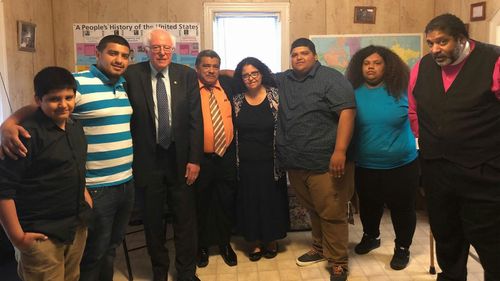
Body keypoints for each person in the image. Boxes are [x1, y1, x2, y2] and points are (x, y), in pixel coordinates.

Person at [0, 35, 135, 281]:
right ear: (97, 54)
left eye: (125, 55)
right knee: (94, 255)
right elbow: (42, 105)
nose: (119, 60)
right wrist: (8, 124)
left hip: (122, 183)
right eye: (113, 53)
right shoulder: (77, 83)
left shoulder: (123, 85)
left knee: (108, 249)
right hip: (98, 187)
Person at [408, 14, 500, 281]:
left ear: (462, 39)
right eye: (430, 43)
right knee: (446, 233)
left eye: (442, 42)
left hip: (484, 171)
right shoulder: (421, 67)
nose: (435, 49)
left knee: (490, 239)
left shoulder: (493, 61)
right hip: (437, 170)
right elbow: (414, 111)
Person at [123, 28, 203, 281]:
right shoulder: (131, 75)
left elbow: (195, 121)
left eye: (166, 47)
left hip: (180, 160)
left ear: (173, 50)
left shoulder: (187, 75)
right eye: (156, 47)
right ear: (146, 50)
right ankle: (159, 270)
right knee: (153, 221)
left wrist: (195, 159)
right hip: (148, 160)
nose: (162, 52)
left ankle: (186, 272)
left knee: (185, 219)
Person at [0, 66, 92, 281]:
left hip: (75, 226)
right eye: (54, 99)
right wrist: (18, 238)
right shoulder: (25, 136)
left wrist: (85, 198)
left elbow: (76, 167)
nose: (63, 104)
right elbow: (4, 189)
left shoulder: (75, 127)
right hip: (42, 235)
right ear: (38, 100)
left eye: (69, 97)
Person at [276, 38, 356, 281]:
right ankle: (320, 248)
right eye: (294, 54)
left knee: (332, 212)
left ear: (315, 56)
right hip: (296, 161)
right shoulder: (284, 79)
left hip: (326, 162)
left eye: (304, 53)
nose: (298, 57)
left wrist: (340, 151)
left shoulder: (331, 79)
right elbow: (254, 72)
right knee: (314, 209)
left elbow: (347, 112)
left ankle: (339, 261)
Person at [345, 45, 419, 270]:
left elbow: (420, 117)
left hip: (402, 164)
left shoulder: (403, 90)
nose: (371, 67)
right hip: (366, 164)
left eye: (377, 63)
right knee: (369, 205)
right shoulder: (352, 92)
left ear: (387, 66)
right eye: (367, 63)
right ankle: (371, 236)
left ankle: (402, 248)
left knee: (402, 208)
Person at [232, 57, 288, 262]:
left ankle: (271, 240)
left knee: (271, 201)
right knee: (250, 202)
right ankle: (254, 242)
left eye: (254, 73)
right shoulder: (237, 100)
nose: (250, 78)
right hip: (246, 163)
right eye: (245, 75)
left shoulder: (276, 96)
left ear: (262, 73)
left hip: (271, 162)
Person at [193, 50, 237, 268]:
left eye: (215, 66)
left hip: (226, 156)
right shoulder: (190, 90)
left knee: (226, 202)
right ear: (197, 68)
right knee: (200, 204)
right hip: (201, 159)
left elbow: (248, 74)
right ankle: (201, 246)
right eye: (206, 66)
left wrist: (230, 71)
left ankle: (224, 244)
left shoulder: (228, 86)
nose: (211, 70)